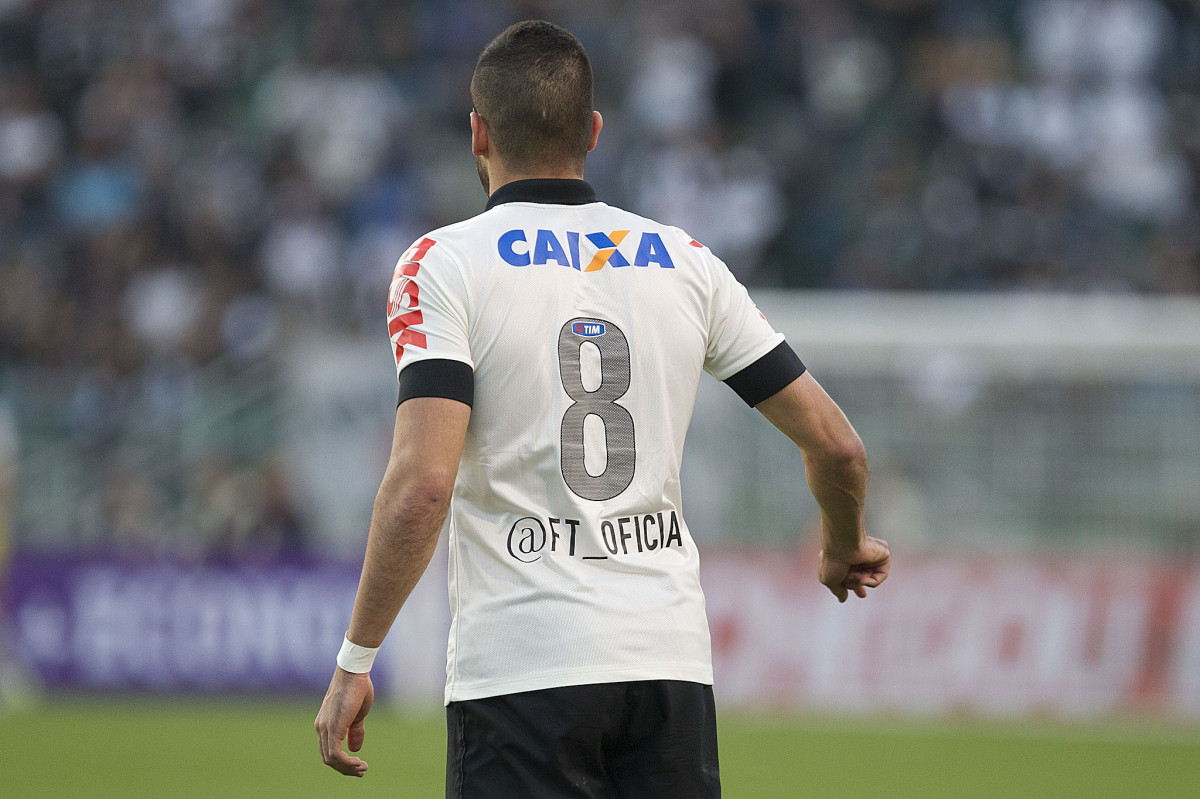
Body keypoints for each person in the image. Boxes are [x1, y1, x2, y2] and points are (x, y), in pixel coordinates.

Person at [314, 19, 889, 797]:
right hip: (667, 668)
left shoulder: (443, 264)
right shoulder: (686, 262)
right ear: (593, 131)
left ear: (477, 133)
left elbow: (423, 483)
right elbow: (837, 446)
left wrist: (357, 656)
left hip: (523, 666)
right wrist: (840, 542)